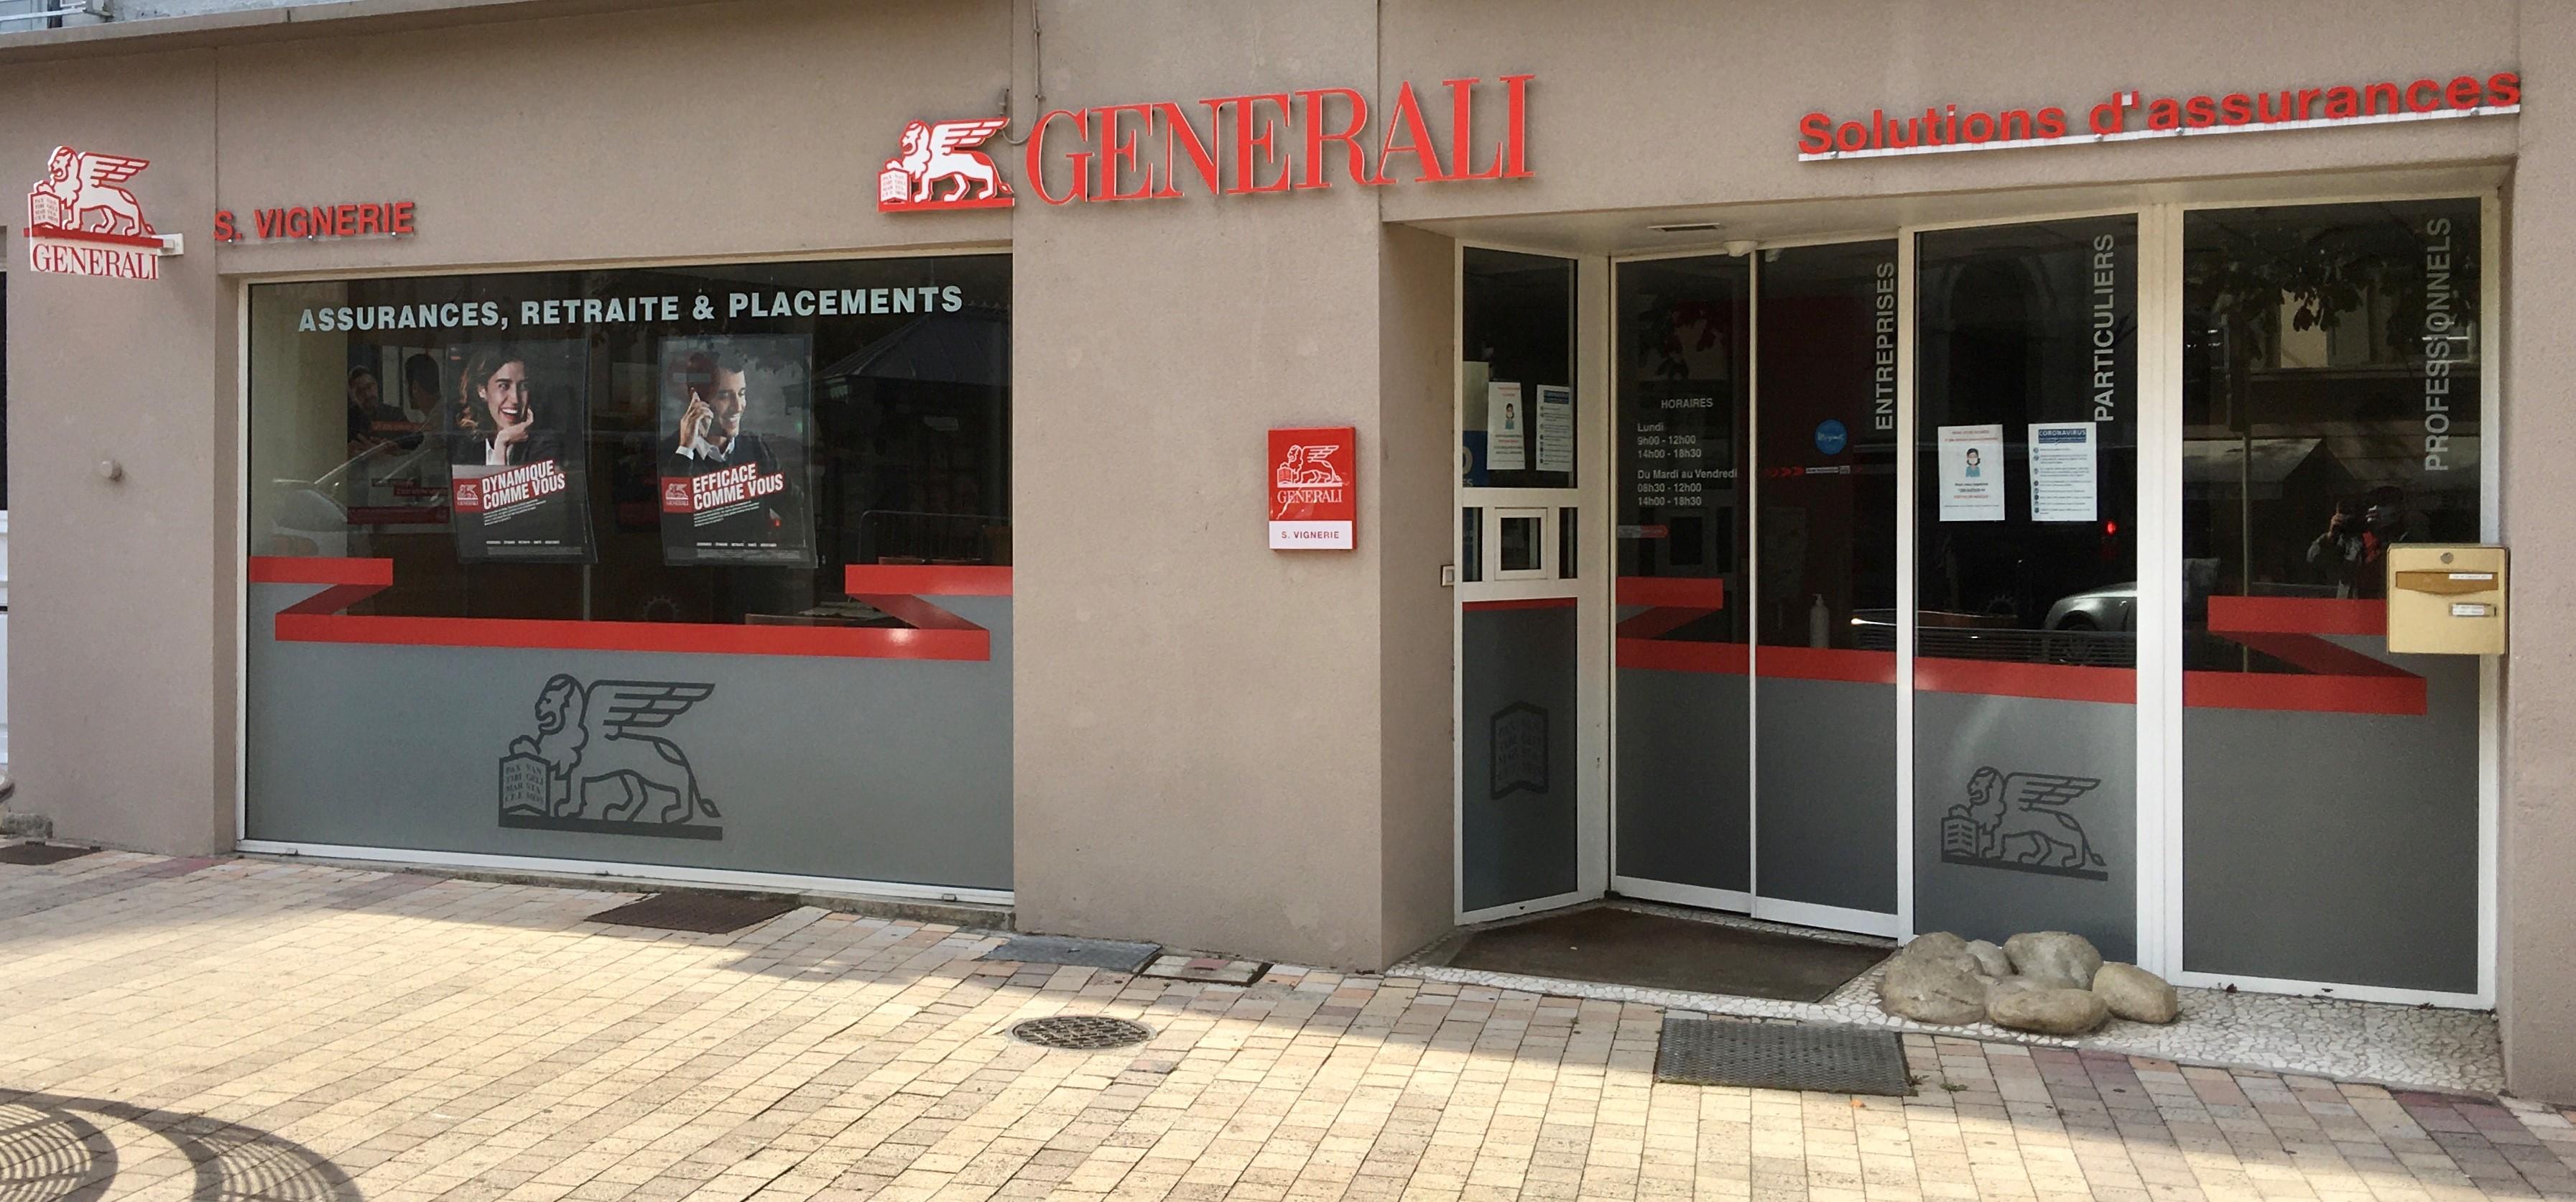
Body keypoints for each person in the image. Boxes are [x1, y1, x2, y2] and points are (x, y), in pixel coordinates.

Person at [450, 348, 555, 467]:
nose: (515, 399)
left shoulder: (544, 446)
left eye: (524, 386)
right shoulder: (467, 446)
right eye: (504, 386)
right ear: (482, 391)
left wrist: (502, 443)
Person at [2308, 486, 2414, 598]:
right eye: (2371, 504)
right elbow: (2315, 560)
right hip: (2353, 606)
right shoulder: (2351, 539)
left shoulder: (2409, 542)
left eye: (2383, 504)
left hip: (2391, 605)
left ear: (2400, 509)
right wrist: (2331, 536)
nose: (2375, 508)